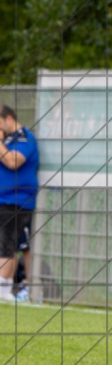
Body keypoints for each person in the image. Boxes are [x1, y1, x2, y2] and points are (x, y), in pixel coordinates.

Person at [0, 105, 39, 302]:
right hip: (2, 199)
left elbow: (13, 162)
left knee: (7, 245)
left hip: (16, 201)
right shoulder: (6, 140)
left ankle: (3, 289)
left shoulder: (25, 138)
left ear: (7, 118)